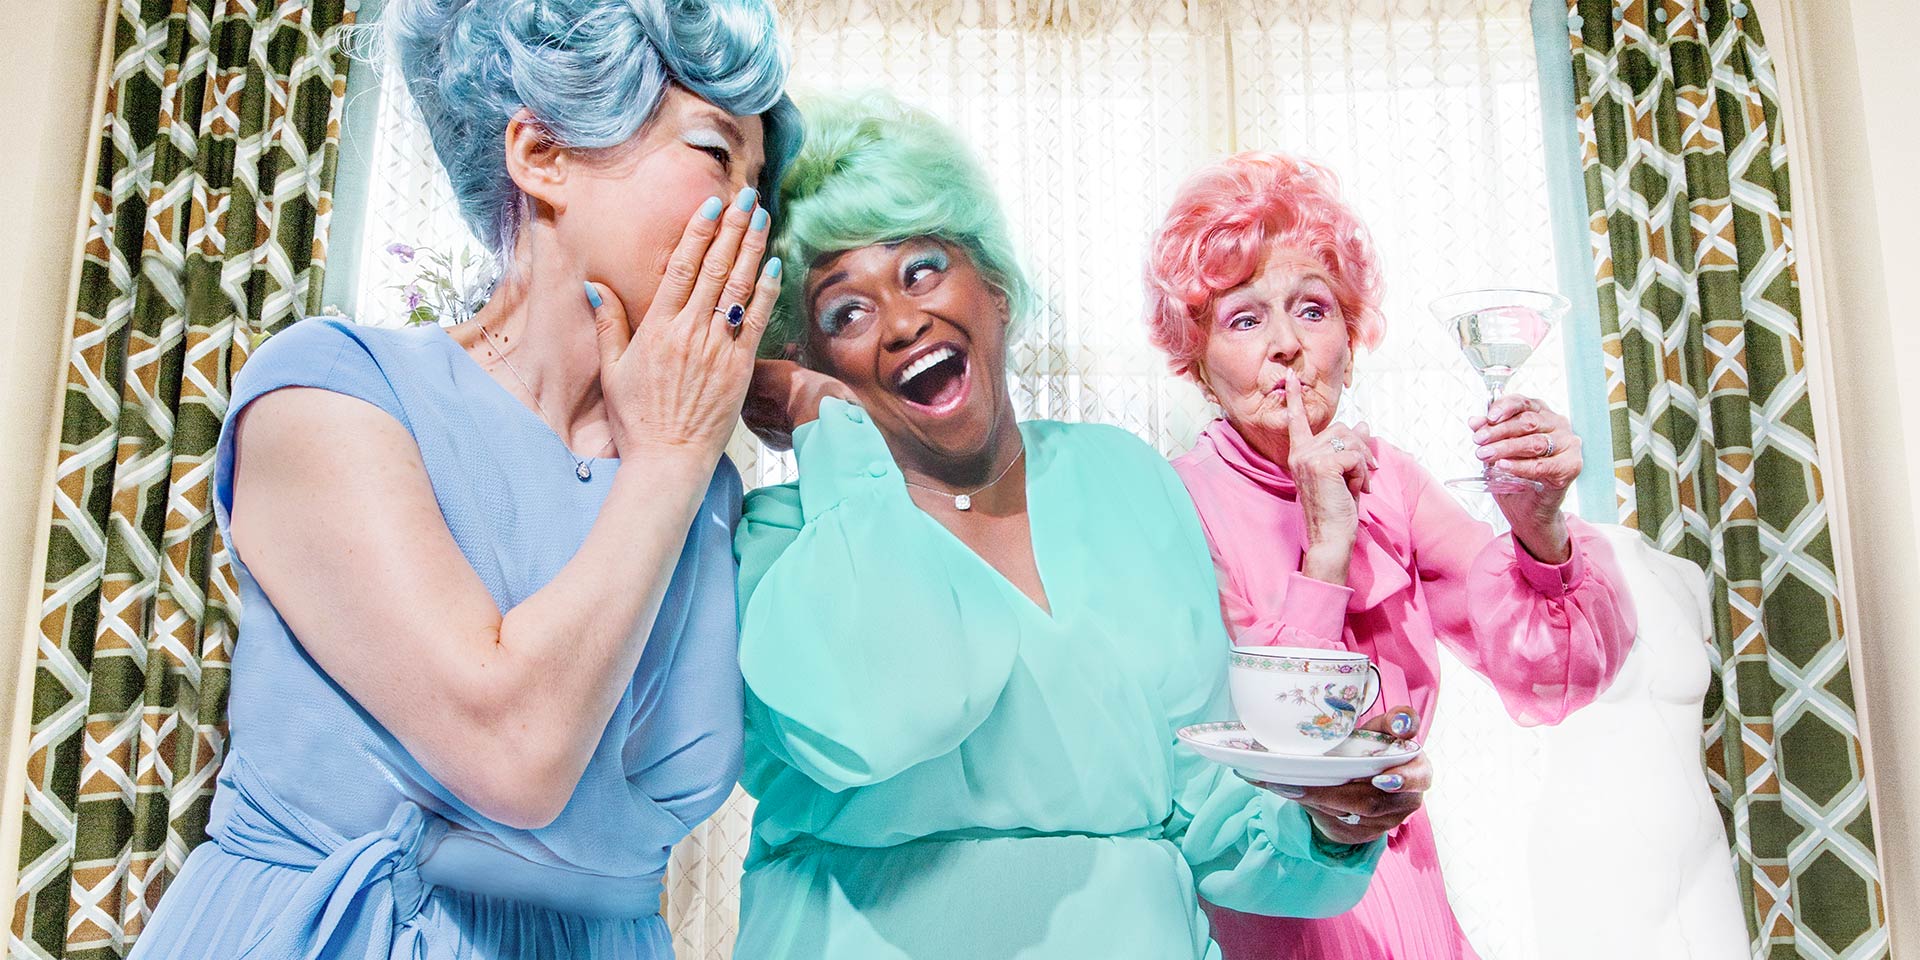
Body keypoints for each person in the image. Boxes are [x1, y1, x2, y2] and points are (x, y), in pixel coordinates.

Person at [130, 0, 796, 955]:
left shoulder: (705, 492)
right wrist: (673, 460)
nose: (749, 212)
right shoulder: (331, 393)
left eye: (760, 179)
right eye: (715, 152)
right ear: (543, 156)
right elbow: (514, 752)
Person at [729, 93, 1429, 959]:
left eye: (922, 270)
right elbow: (884, 712)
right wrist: (820, 417)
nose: (904, 321)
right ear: (801, 352)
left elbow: (1210, 811)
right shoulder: (778, 543)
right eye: (847, 311)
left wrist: (1329, 821)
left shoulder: (1125, 479)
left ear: (993, 291)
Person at [1143, 151, 1638, 959]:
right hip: (1281, 908)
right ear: (1196, 358)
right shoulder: (1172, 502)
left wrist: (1539, 526)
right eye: (1243, 318)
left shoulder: (1394, 482)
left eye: (1311, 309)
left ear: (1350, 337)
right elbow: (1278, 756)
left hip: (1412, 903)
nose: (1285, 347)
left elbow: (1554, 671)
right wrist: (1325, 553)